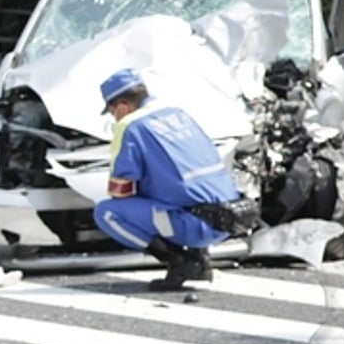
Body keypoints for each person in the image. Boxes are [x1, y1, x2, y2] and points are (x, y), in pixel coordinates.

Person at [92, 68, 243, 292]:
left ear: (123, 106)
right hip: (231, 217)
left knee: (106, 212)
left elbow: (120, 190)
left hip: (194, 226)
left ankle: (180, 262)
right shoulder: (177, 113)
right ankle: (200, 259)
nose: (115, 117)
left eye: (113, 112)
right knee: (176, 191)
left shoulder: (129, 125)